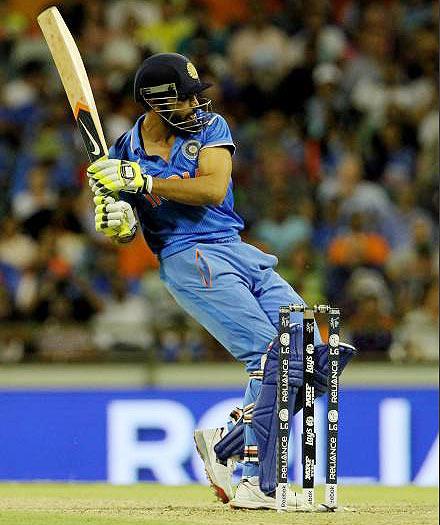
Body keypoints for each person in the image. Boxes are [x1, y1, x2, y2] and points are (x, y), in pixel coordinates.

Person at [87, 52, 355, 509]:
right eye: (187, 98)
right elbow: (125, 227)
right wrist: (115, 216)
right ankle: (254, 482)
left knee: (311, 352)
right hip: (188, 256)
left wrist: (143, 181)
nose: (197, 105)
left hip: (234, 246)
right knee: (270, 357)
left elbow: (211, 189)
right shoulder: (121, 155)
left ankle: (227, 445)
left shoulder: (210, 129)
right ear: (157, 102)